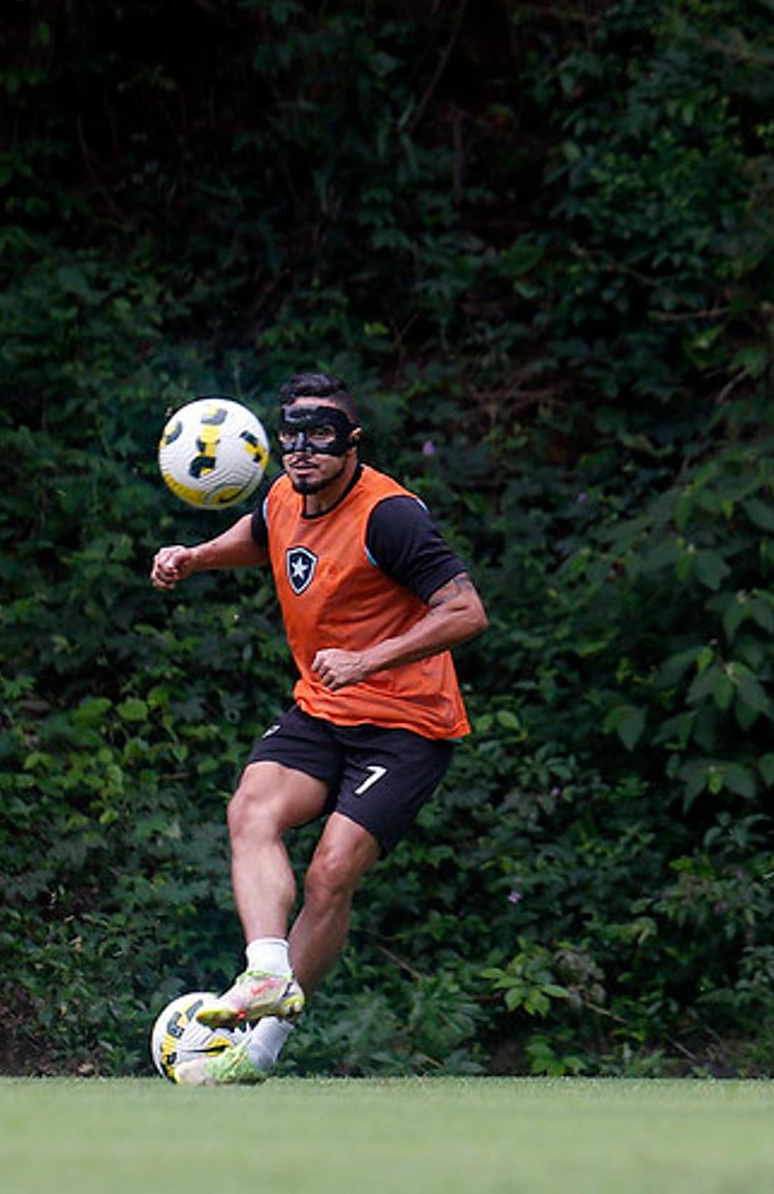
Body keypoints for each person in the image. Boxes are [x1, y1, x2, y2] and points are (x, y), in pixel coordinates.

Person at [149, 372, 488, 1084]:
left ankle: (260, 1050)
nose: (302, 450)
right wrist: (195, 557)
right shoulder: (283, 495)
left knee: (331, 872)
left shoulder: (389, 516)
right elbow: (261, 533)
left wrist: (368, 659)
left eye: (321, 435)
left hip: (407, 725)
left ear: (353, 442)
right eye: (291, 436)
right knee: (252, 810)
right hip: (322, 710)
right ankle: (266, 971)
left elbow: (465, 613)